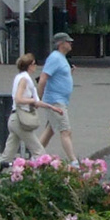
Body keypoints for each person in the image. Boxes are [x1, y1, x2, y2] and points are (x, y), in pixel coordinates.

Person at [37, 32, 77, 161]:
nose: (71, 43)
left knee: (50, 130)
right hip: (55, 101)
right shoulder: (54, 58)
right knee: (65, 131)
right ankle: (73, 160)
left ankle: (35, 155)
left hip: (61, 100)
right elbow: (43, 78)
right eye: (68, 41)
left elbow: (59, 76)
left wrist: (69, 74)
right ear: (60, 44)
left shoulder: (62, 58)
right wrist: (38, 99)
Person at [7, 53, 47, 159]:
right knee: (39, 151)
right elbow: (18, 98)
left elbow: (35, 101)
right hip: (20, 119)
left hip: (15, 118)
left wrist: (52, 107)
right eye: (34, 64)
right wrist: (32, 100)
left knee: (7, 156)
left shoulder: (20, 77)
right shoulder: (24, 79)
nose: (35, 66)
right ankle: (35, 174)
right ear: (29, 66)